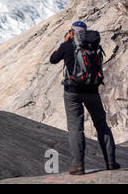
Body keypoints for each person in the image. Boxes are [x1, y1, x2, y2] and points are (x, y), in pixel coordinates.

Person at [50, 21, 120, 175]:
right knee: (101, 125)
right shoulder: (93, 45)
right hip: (92, 91)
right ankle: (110, 162)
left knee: (75, 128)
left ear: (72, 32)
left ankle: (78, 166)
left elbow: (53, 59)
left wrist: (64, 43)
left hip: (72, 92)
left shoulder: (67, 45)